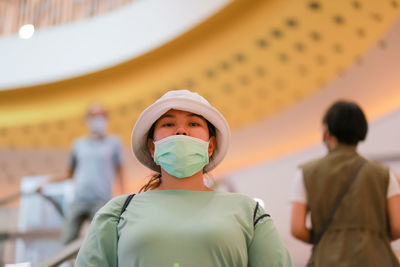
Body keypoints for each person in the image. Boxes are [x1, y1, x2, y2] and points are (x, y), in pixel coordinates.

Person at [75, 90, 292, 267]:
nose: (181, 131)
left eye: (194, 124)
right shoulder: (116, 213)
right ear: (152, 146)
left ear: (211, 145)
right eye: (168, 124)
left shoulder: (248, 213)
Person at [290, 100, 400, 266]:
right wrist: (374, 236)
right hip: (376, 259)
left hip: (327, 260)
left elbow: (297, 228)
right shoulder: (385, 174)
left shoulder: (305, 173)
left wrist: (328, 237)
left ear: (327, 131)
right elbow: (398, 225)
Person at [38, 103, 125, 244]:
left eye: (102, 116)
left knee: (102, 241)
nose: (98, 119)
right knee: (67, 241)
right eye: (94, 116)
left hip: (102, 201)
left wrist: (123, 199)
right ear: (88, 119)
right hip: (78, 200)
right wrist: (46, 183)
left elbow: (120, 171)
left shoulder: (114, 143)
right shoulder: (78, 144)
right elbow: (69, 174)